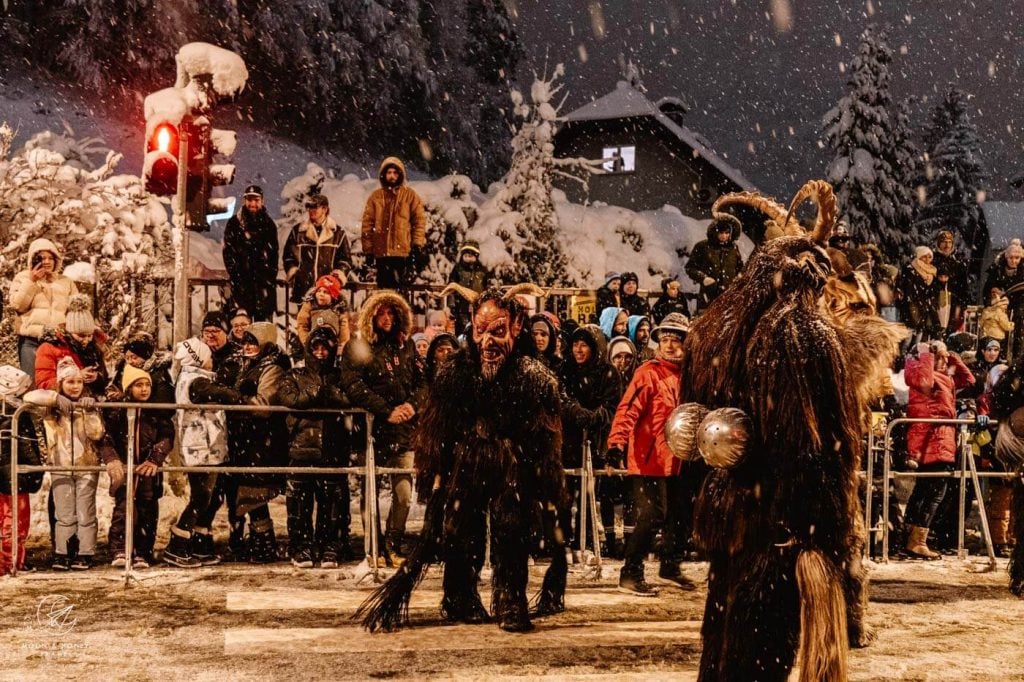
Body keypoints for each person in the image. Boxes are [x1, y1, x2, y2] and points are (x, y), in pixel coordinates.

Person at [358, 284, 568, 633]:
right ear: (471, 324)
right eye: (481, 331)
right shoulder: (455, 373)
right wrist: (433, 476)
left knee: (511, 530)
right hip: (465, 461)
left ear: (516, 326)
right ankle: (460, 598)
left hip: (513, 466)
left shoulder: (536, 378)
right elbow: (437, 430)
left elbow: (546, 439)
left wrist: (547, 484)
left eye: (498, 331)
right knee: (461, 530)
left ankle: (510, 600)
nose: (488, 342)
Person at [606, 312, 697, 596]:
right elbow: (627, 409)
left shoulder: (690, 376)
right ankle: (630, 573)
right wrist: (616, 444)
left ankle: (670, 565)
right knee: (652, 515)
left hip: (679, 460)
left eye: (676, 340)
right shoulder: (648, 373)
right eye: (665, 339)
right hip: (649, 459)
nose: (669, 345)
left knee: (681, 513)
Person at [191, 322, 290, 563]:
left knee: (254, 493)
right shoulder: (248, 363)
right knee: (241, 491)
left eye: (253, 342)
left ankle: (263, 543)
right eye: (245, 342)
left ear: (265, 343)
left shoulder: (272, 367)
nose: (247, 347)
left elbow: (263, 405)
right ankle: (250, 542)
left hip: (260, 437)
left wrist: (237, 402)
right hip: (244, 437)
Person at [340, 290, 421, 567]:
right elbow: (353, 386)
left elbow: (423, 383)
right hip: (372, 431)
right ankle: (372, 547)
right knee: (369, 492)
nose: (386, 319)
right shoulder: (358, 346)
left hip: (403, 432)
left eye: (391, 313)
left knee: (403, 494)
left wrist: (411, 405)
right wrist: (386, 411)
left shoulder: (406, 345)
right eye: (381, 313)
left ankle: (393, 544)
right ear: (371, 316)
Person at [280, 325, 352, 568]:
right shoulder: (295, 375)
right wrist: (317, 393)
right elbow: (290, 400)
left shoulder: (341, 375)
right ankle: (301, 546)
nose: (321, 352)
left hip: (333, 448)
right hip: (302, 447)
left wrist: (325, 392)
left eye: (325, 348)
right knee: (299, 503)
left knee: (332, 502)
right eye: (316, 347)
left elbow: (347, 398)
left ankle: (330, 545)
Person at [24, 358, 104, 570]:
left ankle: (85, 552)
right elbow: (29, 396)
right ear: (61, 383)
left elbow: (97, 434)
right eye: (70, 382)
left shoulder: (88, 404)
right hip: (60, 466)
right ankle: (63, 552)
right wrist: (55, 397)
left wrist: (90, 412)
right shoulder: (51, 408)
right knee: (64, 512)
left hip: (87, 466)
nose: (76, 386)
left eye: (79, 382)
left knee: (85, 511)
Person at [903, 341, 975, 559]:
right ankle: (916, 541)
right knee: (933, 491)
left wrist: (953, 357)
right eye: (941, 357)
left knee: (927, 489)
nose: (944, 361)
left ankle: (909, 537)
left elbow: (969, 380)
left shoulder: (945, 377)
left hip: (942, 438)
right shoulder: (922, 373)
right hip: (930, 438)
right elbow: (924, 381)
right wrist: (928, 354)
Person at [162, 337, 228, 568]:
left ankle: (201, 542)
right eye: (208, 356)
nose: (212, 361)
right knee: (201, 497)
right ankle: (178, 543)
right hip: (200, 449)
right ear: (199, 359)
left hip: (209, 448)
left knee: (212, 498)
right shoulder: (196, 381)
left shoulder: (193, 378)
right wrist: (238, 396)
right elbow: (215, 394)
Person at [100, 365, 174, 569]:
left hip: (148, 470)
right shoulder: (117, 412)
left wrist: (155, 458)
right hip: (124, 468)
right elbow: (106, 439)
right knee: (123, 508)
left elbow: (167, 437)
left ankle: (143, 552)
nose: (144, 389)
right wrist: (112, 459)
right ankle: (119, 550)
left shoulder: (156, 412)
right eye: (138, 385)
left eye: (147, 385)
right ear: (128, 388)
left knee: (147, 509)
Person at [559, 325, 621, 561]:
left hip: (596, 440)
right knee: (565, 493)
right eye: (575, 344)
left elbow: (611, 406)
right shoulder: (566, 369)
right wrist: (577, 412)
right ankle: (564, 542)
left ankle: (584, 543)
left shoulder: (608, 373)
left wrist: (595, 417)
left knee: (588, 493)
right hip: (569, 439)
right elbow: (562, 399)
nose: (578, 349)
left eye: (584, 344)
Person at [9, 238, 78, 378]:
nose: (47, 262)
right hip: (31, 341)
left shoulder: (65, 281)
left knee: (58, 384)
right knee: (32, 386)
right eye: (42, 258)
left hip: (59, 342)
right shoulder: (22, 278)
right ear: (33, 260)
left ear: (56, 260)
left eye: (50, 258)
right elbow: (17, 305)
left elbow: (75, 311)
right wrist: (31, 281)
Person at [0, 366, 44, 575]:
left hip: (10, 476)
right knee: (15, 521)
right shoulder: (16, 414)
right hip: (13, 477)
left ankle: (10, 561)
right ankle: (11, 562)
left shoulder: (12, 412)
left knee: (9, 520)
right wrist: (36, 471)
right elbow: (27, 447)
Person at [360, 157, 427, 290]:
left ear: (400, 175)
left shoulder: (410, 196)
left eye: (395, 173)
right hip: (382, 253)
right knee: (384, 292)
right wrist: (368, 250)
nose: (392, 176)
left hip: (402, 253)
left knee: (400, 293)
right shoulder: (376, 197)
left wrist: (417, 245)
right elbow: (367, 225)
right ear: (384, 175)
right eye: (389, 172)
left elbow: (419, 221)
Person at [223, 185, 280, 321]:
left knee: (262, 333)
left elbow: (273, 256)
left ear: (262, 201)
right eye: (249, 199)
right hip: (241, 289)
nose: (252, 203)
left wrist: (267, 277)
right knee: (241, 330)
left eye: (256, 200)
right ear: (244, 201)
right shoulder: (234, 224)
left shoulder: (269, 224)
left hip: (263, 289)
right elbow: (228, 253)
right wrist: (237, 276)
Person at [33, 294, 107, 397]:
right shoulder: (49, 348)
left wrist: (97, 377)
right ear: (69, 331)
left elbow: (106, 380)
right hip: (60, 404)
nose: (86, 340)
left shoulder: (95, 348)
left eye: (89, 336)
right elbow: (43, 385)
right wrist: (76, 377)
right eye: (81, 335)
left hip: (91, 404)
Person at [283, 193, 352, 304]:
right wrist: (296, 273)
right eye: (309, 207)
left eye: (315, 207)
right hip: (303, 290)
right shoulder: (298, 231)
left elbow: (345, 260)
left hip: (327, 291)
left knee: (326, 320)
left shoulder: (338, 233)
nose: (311, 210)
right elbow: (288, 256)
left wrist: (336, 277)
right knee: (303, 320)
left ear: (325, 209)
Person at [685, 216, 744, 312]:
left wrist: (739, 277)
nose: (724, 236)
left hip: (729, 297)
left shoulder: (733, 249)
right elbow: (690, 268)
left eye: (727, 233)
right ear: (715, 232)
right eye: (721, 233)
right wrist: (703, 278)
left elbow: (740, 268)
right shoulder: (703, 247)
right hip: (707, 297)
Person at [106, 332, 174, 406]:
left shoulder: (159, 373)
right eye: (127, 358)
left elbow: (162, 404)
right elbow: (112, 386)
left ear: (145, 356)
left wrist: (125, 398)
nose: (130, 361)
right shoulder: (123, 367)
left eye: (134, 357)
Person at [898, 246, 941, 341]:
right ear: (919, 256)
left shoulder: (932, 271)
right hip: (912, 306)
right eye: (924, 256)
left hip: (924, 308)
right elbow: (907, 288)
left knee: (919, 339)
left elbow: (932, 290)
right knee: (908, 339)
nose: (927, 259)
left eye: (930, 257)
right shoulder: (910, 269)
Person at [448, 240, 492, 331]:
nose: (468, 258)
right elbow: (451, 287)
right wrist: (452, 304)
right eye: (466, 256)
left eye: (471, 256)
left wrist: (486, 301)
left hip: (478, 305)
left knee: (477, 326)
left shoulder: (482, 271)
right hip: (461, 305)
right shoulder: (458, 269)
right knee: (462, 328)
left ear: (476, 256)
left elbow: (487, 286)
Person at [932, 230, 970, 333]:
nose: (947, 245)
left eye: (949, 242)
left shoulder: (958, 262)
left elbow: (963, 285)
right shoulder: (932, 260)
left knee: (952, 330)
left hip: (954, 301)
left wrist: (962, 304)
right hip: (936, 301)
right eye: (944, 242)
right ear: (939, 243)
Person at [295, 274, 349, 346]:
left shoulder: (339, 308)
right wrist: (306, 342)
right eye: (319, 291)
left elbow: (344, 328)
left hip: (332, 344)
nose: (321, 294)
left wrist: (342, 345)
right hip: (313, 343)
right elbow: (302, 324)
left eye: (326, 292)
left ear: (333, 296)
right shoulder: (310, 305)